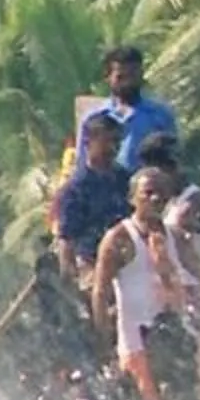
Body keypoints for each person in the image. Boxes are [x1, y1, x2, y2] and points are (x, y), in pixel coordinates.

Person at [90, 165, 200, 400]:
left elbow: (198, 277)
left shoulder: (177, 238)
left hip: (175, 334)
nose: (155, 198)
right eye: (148, 193)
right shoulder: (119, 238)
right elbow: (100, 292)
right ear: (132, 198)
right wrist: (104, 339)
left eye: (161, 193)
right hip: (137, 340)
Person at [50, 113, 132, 279]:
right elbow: (67, 240)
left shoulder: (125, 179)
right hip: (92, 265)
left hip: (129, 261)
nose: (112, 148)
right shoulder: (76, 189)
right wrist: (74, 280)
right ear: (88, 143)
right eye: (106, 141)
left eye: (117, 142)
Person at [78, 45, 178, 172]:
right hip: (107, 189)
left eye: (133, 76)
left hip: (148, 188)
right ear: (108, 78)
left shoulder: (160, 115)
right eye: (121, 77)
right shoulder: (93, 118)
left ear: (141, 74)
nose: (128, 83)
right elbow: (82, 164)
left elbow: (173, 160)